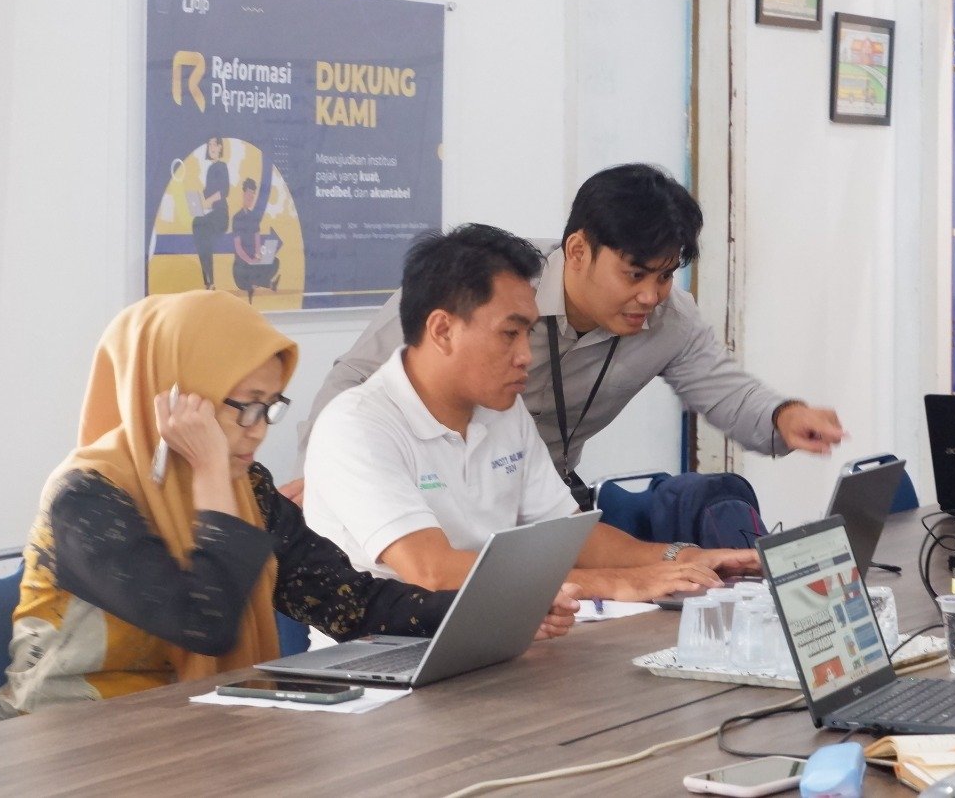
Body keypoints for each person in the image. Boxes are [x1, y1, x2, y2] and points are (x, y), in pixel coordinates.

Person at [0, 290, 575, 717]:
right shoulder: (86, 497)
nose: (258, 429)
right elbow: (204, 622)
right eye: (244, 405)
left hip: (192, 725)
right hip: (73, 739)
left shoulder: (246, 488)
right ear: (174, 396)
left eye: (270, 406)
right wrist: (212, 476)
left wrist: (490, 612)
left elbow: (349, 601)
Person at [283, 163, 845, 505]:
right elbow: (356, 378)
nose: (651, 295)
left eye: (666, 275)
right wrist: (326, 475)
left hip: (541, 502)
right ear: (577, 251)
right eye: (635, 274)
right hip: (431, 495)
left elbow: (726, 391)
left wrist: (783, 416)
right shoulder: (487, 284)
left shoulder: (670, 320)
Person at [304, 223, 760, 602]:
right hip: (386, 657)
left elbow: (570, 537)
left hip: (494, 638)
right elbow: (433, 571)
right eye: (510, 334)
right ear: (442, 330)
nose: (526, 355)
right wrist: (618, 584)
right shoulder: (356, 425)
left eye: (528, 333)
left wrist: (684, 558)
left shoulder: (502, 410)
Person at [230, 177, 280, 301]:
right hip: (242, 264)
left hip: (254, 261)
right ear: (243, 194)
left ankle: (253, 284)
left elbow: (257, 240)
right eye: (249, 193)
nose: (251, 197)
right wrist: (250, 261)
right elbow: (238, 247)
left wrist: (258, 255)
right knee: (244, 275)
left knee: (275, 262)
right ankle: (268, 284)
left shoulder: (254, 217)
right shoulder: (237, 218)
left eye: (253, 194)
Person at [191, 136, 230, 290]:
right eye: (209, 145)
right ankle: (208, 281)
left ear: (220, 147)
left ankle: (209, 282)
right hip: (210, 214)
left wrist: (207, 202)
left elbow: (224, 191)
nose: (211, 147)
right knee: (198, 226)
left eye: (214, 144)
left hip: (221, 214)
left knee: (199, 225)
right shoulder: (209, 169)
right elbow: (208, 196)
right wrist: (200, 206)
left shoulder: (222, 166)